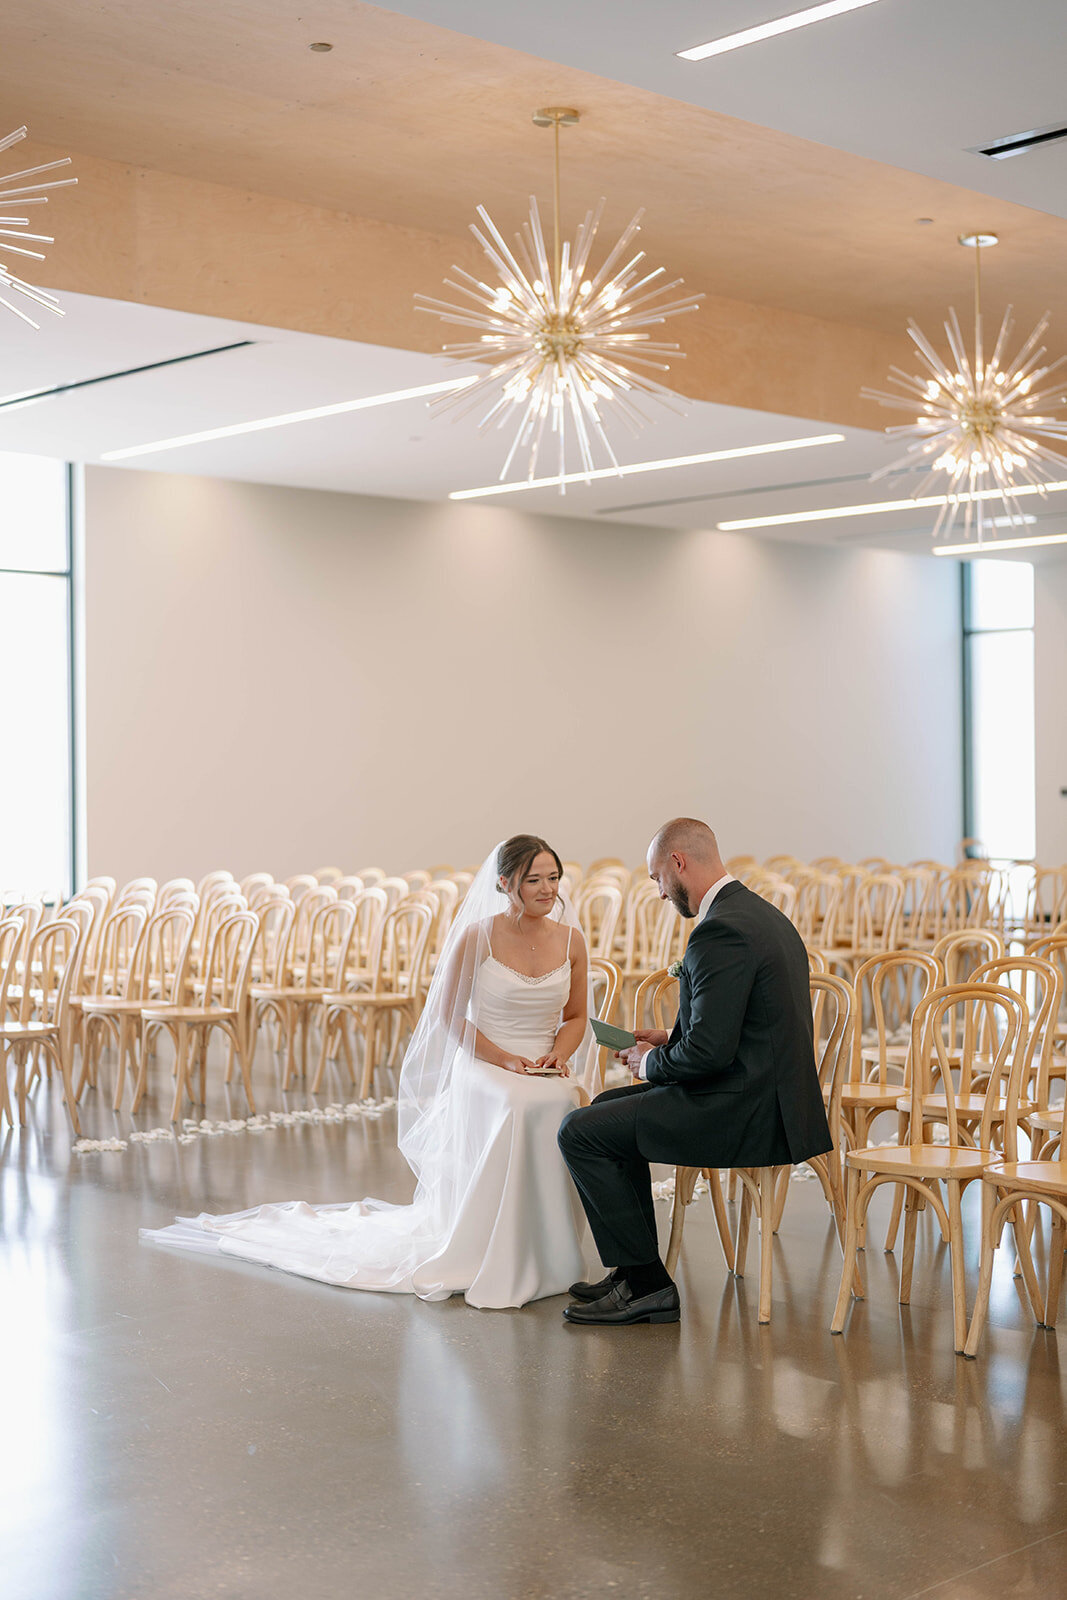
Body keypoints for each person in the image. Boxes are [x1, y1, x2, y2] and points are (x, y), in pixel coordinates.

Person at [142, 835, 592, 1309]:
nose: (547, 889)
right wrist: (502, 1059)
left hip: (543, 1064)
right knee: (518, 1103)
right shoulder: (478, 935)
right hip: (487, 1060)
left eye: (553, 878)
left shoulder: (571, 940)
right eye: (534, 879)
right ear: (505, 884)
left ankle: (547, 1253)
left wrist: (557, 1057)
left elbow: (576, 1017)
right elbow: (450, 1017)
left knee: (562, 1099)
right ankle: (498, 1248)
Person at [557, 817, 831, 1326]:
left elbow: (709, 1055)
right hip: (765, 1094)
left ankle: (648, 1287)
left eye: (658, 877)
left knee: (580, 1131)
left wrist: (648, 1062)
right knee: (602, 1112)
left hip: (743, 1110)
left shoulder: (719, 930)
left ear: (679, 862)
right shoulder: (757, 912)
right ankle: (634, 1272)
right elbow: (736, 1025)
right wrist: (669, 1038)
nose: (660, 893)